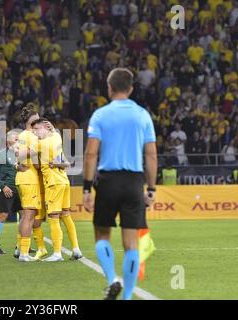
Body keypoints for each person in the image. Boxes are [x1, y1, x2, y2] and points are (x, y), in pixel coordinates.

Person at [83, 68, 157, 300]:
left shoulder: (100, 115)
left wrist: (86, 188)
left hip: (108, 181)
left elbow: (90, 153)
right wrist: (151, 189)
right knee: (131, 243)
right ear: (131, 88)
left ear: (109, 87)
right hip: (134, 181)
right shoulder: (142, 115)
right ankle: (126, 297)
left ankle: (112, 279)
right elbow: (151, 155)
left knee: (102, 235)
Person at [32, 119, 83, 262]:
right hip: (64, 181)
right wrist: (53, 129)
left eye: (37, 129)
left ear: (45, 128)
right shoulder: (56, 138)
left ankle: (57, 253)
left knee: (53, 218)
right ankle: (76, 249)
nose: (35, 132)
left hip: (53, 184)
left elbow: (28, 156)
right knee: (66, 215)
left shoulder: (40, 144)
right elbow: (66, 163)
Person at [14, 105, 42, 262]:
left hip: (22, 177)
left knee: (25, 215)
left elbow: (16, 156)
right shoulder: (32, 136)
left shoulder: (21, 135)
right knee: (29, 216)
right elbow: (36, 161)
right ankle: (24, 253)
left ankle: (20, 249)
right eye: (37, 118)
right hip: (29, 178)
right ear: (32, 120)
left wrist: (18, 164)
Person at [0, 131, 22, 254]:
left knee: (25, 215)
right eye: (16, 138)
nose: (19, 140)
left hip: (19, 189)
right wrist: (3, 186)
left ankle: (21, 245)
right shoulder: (2, 154)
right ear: (9, 141)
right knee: (3, 215)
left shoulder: (21, 154)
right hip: (6, 189)